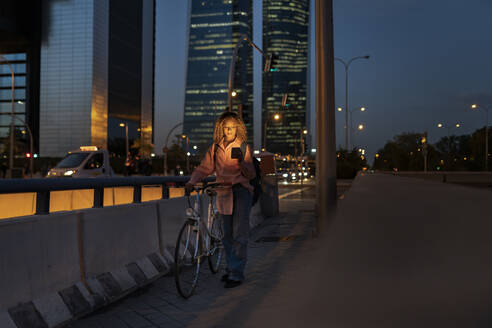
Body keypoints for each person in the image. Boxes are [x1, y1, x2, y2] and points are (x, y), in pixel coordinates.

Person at [185, 111, 256, 289]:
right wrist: (192, 181)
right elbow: (204, 168)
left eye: (232, 127)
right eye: (226, 128)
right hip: (223, 193)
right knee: (227, 235)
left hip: (240, 192)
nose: (229, 131)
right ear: (221, 129)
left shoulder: (243, 147)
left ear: (237, 128)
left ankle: (236, 273)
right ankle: (231, 268)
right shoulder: (215, 148)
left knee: (240, 235)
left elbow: (251, 174)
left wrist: (242, 162)